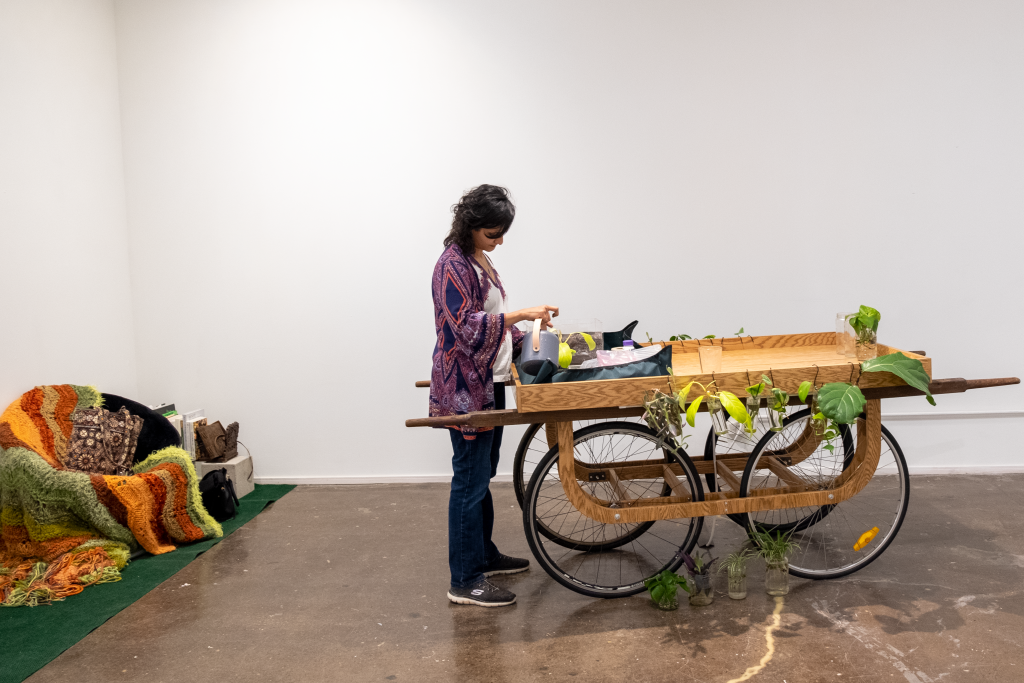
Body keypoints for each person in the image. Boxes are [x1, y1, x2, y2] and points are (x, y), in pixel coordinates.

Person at [430, 184, 558, 607]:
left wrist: (528, 335)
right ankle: (464, 580)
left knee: (482, 473)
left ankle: (481, 554)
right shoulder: (451, 266)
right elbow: (467, 327)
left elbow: (492, 322)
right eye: (492, 233)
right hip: (466, 390)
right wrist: (520, 315)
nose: (500, 241)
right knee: (469, 479)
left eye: (502, 233)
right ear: (469, 226)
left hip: (485, 382)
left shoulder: (476, 259)